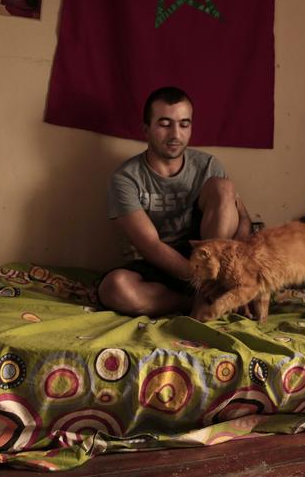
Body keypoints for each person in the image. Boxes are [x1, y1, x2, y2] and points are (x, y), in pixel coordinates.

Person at [98, 86, 251, 317]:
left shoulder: (208, 166)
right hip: (158, 266)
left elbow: (242, 220)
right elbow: (151, 246)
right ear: (146, 129)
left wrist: (235, 274)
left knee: (223, 186)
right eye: (164, 124)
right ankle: (200, 301)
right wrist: (202, 283)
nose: (175, 134)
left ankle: (211, 294)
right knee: (114, 288)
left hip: (211, 259)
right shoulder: (126, 178)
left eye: (184, 124)